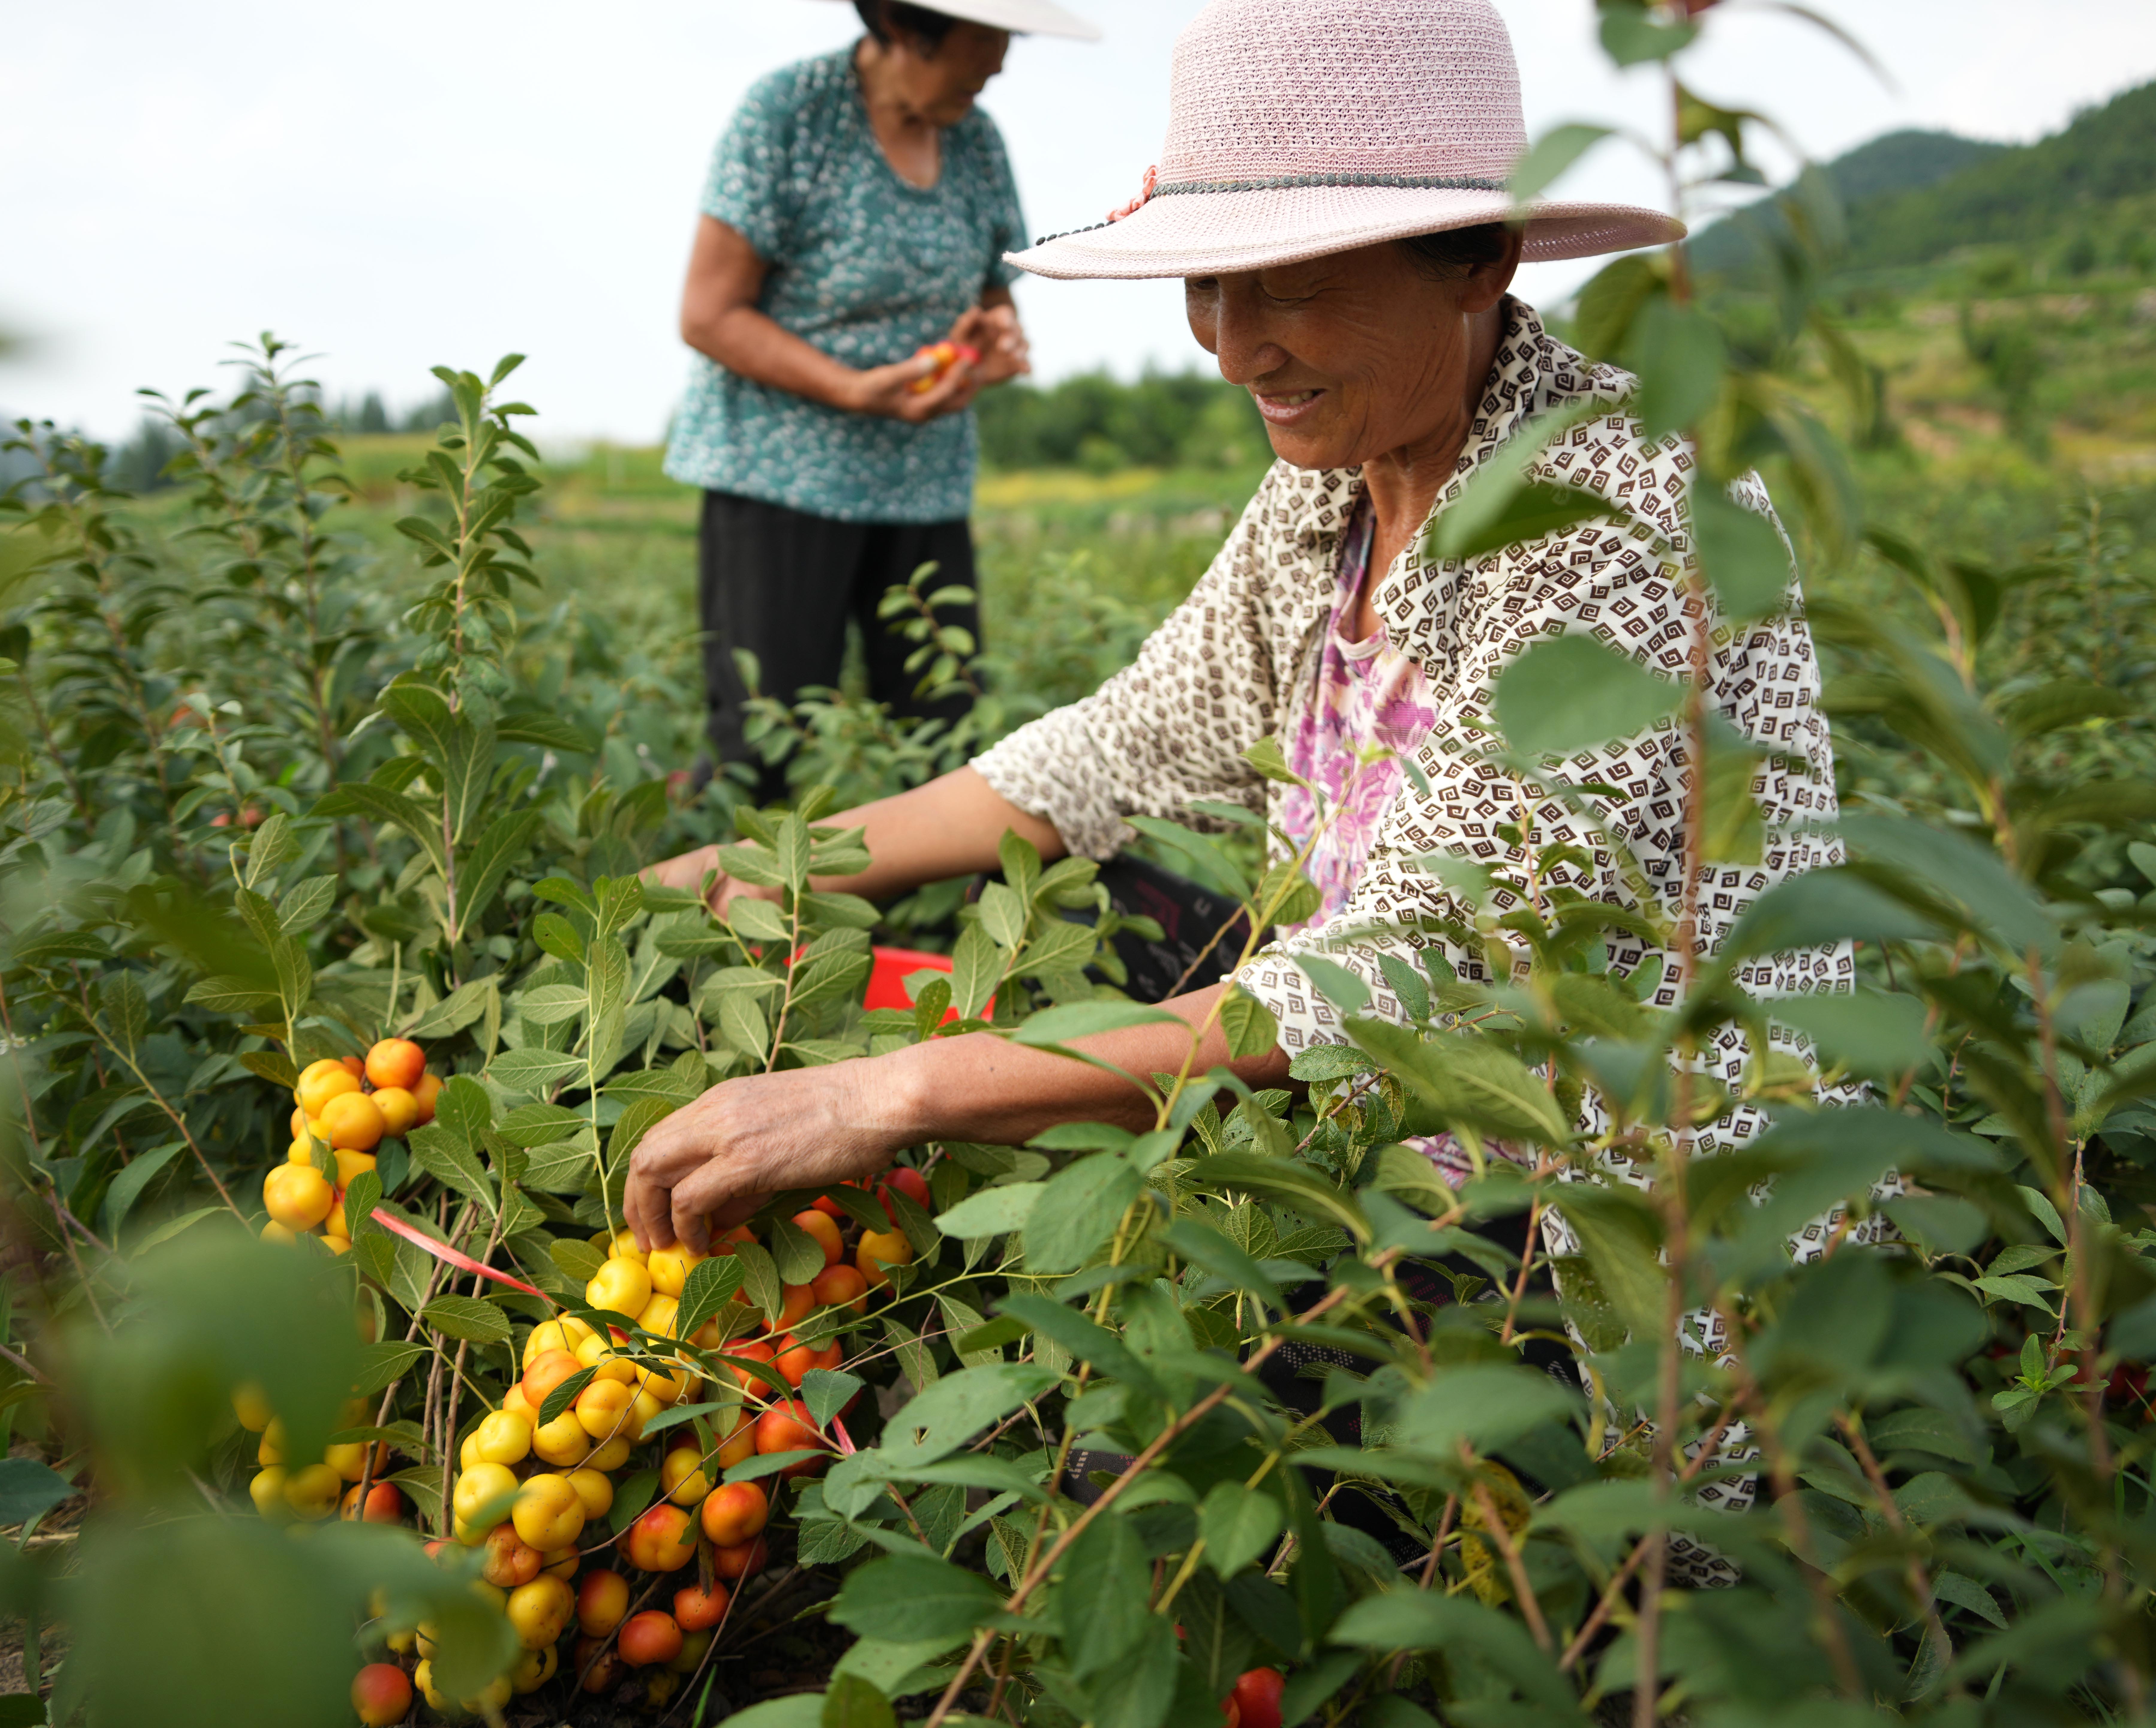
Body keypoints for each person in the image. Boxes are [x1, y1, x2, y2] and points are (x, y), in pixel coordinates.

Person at [627, 0, 1848, 1276]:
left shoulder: (1628, 509)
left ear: (1479, 262)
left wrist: (891, 1094)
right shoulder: (1336, 487)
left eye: (1295, 285)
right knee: (1064, 900)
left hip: (1595, 1217)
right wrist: (761, 871)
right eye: (1209, 285)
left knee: (1175, 1379)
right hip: (1376, 1109)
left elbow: (1416, 966)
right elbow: (1114, 751)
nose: (1235, 350)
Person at [665, 0, 1099, 803]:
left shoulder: (976, 139)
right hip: (779, 481)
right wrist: (850, 390)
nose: (999, 62)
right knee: (765, 740)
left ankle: (936, 890)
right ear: (903, 27)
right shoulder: (790, 114)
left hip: (923, 482)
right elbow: (710, 314)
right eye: (983, 39)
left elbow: (993, 296)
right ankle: (727, 884)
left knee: (943, 730)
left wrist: (991, 346)